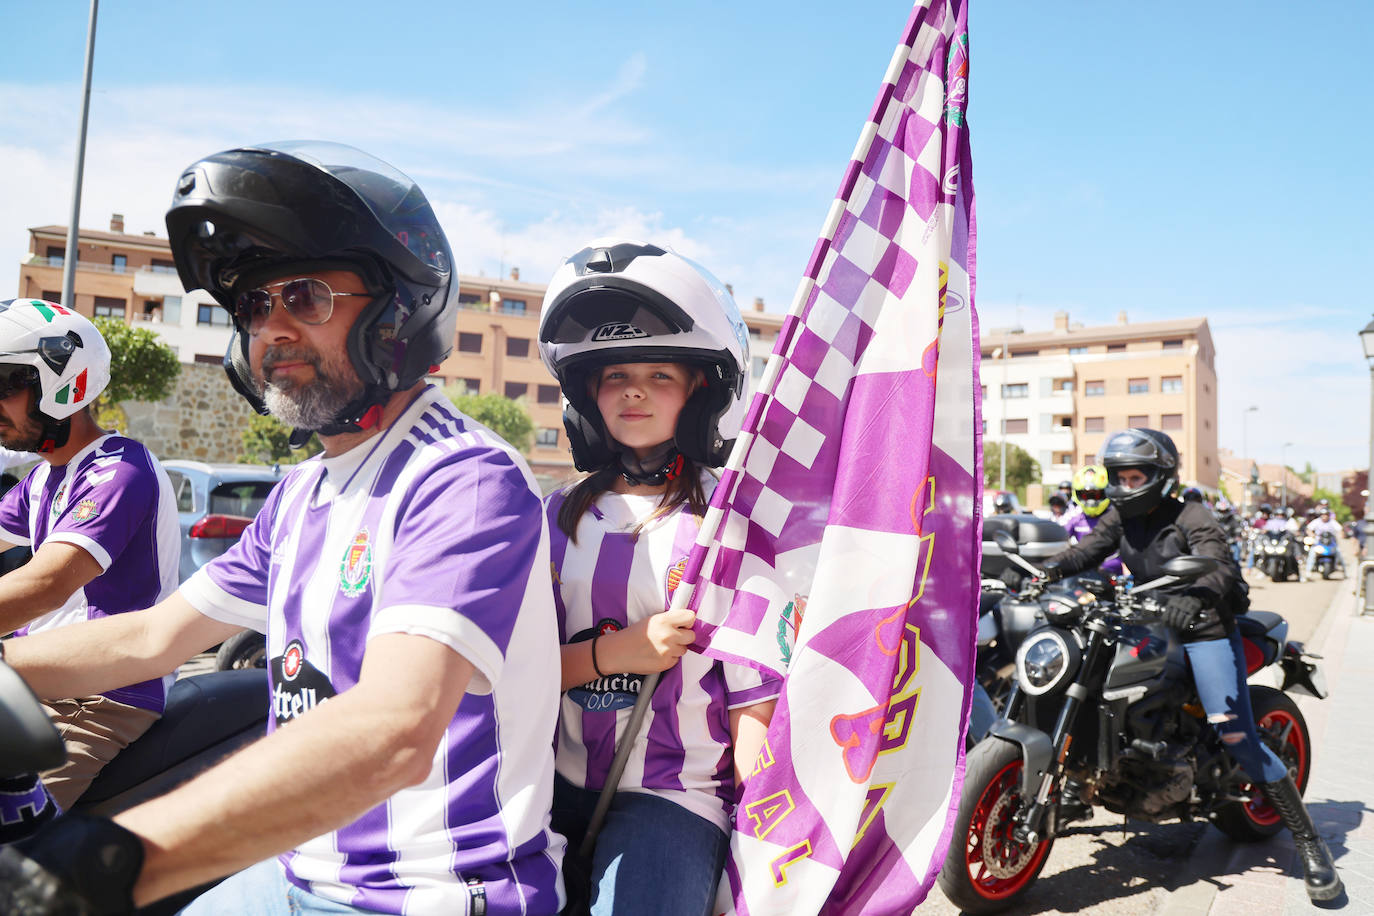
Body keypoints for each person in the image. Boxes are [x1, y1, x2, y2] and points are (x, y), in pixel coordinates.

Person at [0, 142, 563, 915]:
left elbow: (396, 727)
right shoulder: (301, 493)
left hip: (427, 893)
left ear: (398, 308)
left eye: (304, 296)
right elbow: (152, 639)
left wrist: (113, 860)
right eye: (256, 307)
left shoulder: (461, 478)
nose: (272, 331)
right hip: (298, 870)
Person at [537, 240, 779, 916]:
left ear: (703, 392)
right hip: (547, 783)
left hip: (675, 797)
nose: (634, 389)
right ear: (588, 397)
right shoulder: (552, 516)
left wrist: (769, 850)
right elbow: (508, 671)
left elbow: (753, 706)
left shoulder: (730, 522)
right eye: (614, 376)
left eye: (659, 374)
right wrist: (615, 655)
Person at [1039, 428, 1341, 902]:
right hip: (1147, 624)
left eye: (1133, 475)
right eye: (1118, 475)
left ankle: (1311, 844)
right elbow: (1088, 550)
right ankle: (1085, 782)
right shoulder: (1121, 515)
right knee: (1092, 687)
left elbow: (1219, 567)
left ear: (1159, 476)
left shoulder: (1191, 515)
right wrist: (1047, 570)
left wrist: (1190, 600)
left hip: (1204, 630)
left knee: (1235, 732)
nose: (1123, 484)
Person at [0, 301, 179, 810]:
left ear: (64, 385)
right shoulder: (44, 478)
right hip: (36, 680)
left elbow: (46, 584)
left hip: (97, 697)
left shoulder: (119, 471)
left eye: (4, 385)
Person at [1061, 464, 1122, 576]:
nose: (1091, 500)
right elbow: (1058, 535)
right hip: (1081, 574)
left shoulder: (1117, 515)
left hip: (1114, 576)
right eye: (1086, 495)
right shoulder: (1073, 515)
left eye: (1096, 494)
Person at [1305, 506, 1346, 577]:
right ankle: (1308, 572)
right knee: (1312, 554)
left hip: (1331, 543)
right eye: (1323, 515)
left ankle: (1345, 572)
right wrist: (1312, 535)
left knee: (1339, 554)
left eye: (1326, 515)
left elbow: (1340, 529)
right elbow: (1308, 529)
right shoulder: (1316, 521)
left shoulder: (1332, 522)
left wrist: (1341, 535)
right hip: (1319, 542)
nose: (1324, 516)